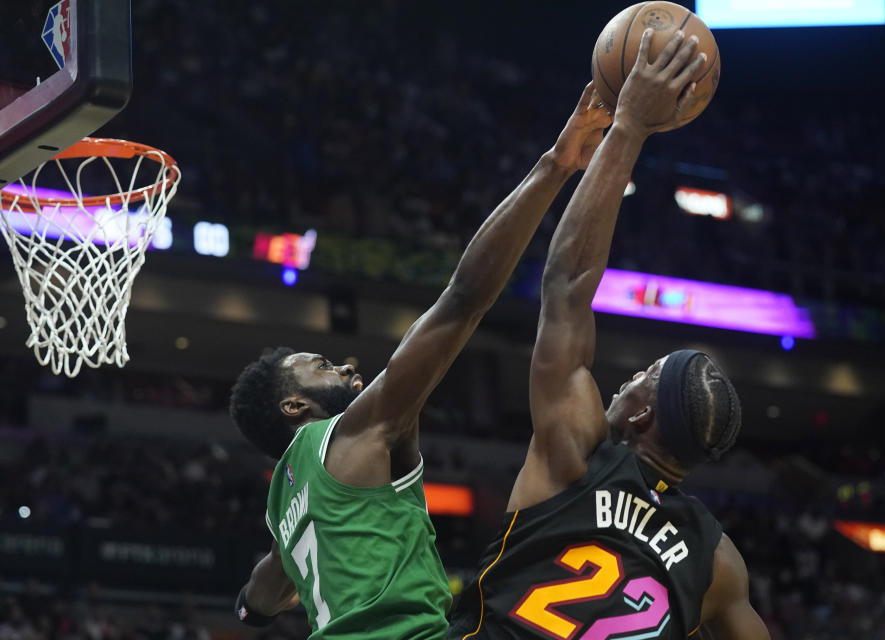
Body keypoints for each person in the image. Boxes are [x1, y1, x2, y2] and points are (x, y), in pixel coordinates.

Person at [227, 81, 613, 638]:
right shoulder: (355, 431)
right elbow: (463, 299)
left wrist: (247, 608)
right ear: (295, 405)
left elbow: (263, 593)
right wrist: (555, 165)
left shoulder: (282, 507)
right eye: (323, 367)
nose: (348, 368)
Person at [448, 30, 770, 640]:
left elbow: (566, 286)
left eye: (642, 376)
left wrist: (629, 128)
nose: (627, 379)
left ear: (644, 412)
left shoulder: (576, 457)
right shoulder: (720, 566)